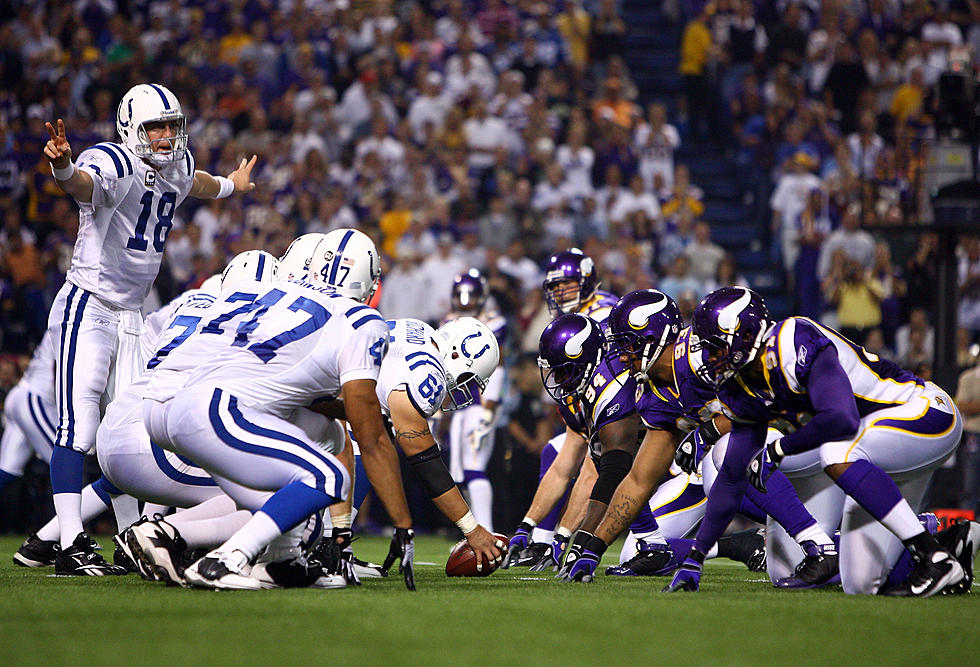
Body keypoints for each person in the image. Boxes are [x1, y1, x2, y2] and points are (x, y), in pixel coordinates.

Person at [41, 83, 257, 575]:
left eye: (170, 126)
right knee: (80, 425)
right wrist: (62, 168)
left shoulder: (176, 166)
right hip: (89, 303)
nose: (164, 136)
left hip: (132, 316)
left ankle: (123, 539)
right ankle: (69, 542)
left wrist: (231, 185)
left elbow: (194, 181)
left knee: (130, 432)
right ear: (129, 130)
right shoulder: (115, 161)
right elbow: (85, 186)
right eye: (153, 127)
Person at [141, 229, 417, 590]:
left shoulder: (273, 290)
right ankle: (225, 559)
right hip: (219, 409)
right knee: (329, 477)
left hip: (176, 399)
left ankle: (282, 561)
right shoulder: (362, 322)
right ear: (369, 282)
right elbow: (370, 435)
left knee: (328, 434)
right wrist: (402, 523)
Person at [665, 287, 973, 596]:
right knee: (859, 583)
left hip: (924, 412)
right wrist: (696, 557)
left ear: (745, 335)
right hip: (875, 448)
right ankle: (952, 544)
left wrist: (779, 449)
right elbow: (733, 477)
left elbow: (842, 419)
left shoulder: (792, 340)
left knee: (836, 451)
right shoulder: (740, 386)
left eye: (715, 347)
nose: (710, 357)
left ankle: (933, 558)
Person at [558, 290, 837, 587]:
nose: (623, 355)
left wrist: (710, 430)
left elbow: (763, 403)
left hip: (810, 438)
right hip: (777, 462)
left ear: (656, 336)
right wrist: (594, 548)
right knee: (800, 572)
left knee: (724, 453)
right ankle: (833, 541)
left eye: (629, 344)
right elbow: (638, 481)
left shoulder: (707, 349)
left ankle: (817, 545)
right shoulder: (654, 396)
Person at [505, 248, 619, 566]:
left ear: (586, 281)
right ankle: (541, 541)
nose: (558, 292)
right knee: (556, 452)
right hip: (596, 407)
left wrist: (565, 537)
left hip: (631, 417)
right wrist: (525, 526)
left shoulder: (605, 314)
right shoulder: (567, 320)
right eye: (553, 287)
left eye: (565, 284)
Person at [442, 270, 507, 530]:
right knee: (459, 474)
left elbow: (496, 364)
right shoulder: (448, 321)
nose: (466, 301)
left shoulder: (495, 322)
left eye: (471, 296)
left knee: (474, 467)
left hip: (481, 400)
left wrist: (491, 404)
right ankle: (474, 533)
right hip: (457, 404)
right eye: (461, 296)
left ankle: (488, 533)